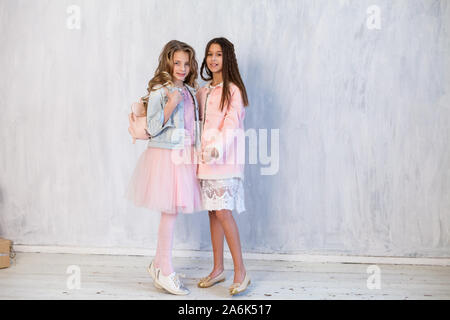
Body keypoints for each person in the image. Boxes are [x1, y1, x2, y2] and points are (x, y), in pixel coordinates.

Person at [124, 40, 202, 295]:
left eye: (186, 63)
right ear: (168, 63)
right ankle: (165, 269)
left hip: (184, 155)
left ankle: (158, 264)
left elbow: (195, 125)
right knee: (169, 212)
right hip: (165, 156)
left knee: (173, 212)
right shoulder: (161, 91)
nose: (182, 67)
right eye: (177, 62)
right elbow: (153, 127)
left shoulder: (190, 91)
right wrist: (170, 104)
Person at [196, 37, 251, 295]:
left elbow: (231, 125)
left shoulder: (233, 91)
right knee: (212, 212)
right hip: (204, 161)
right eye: (209, 54)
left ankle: (241, 271)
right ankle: (218, 268)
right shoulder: (204, 91)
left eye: (218, 54)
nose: (213, 59)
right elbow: (195, 121)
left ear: (226, 58)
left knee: (223, 212)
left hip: (224, 161)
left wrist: (216, 148)